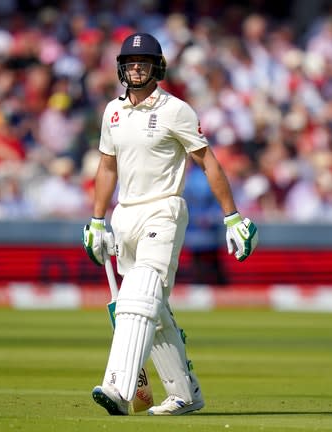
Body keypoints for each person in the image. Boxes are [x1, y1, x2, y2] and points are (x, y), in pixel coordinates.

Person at [82, 32, 258, 416]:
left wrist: (232, 216)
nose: (136, 68)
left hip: (164, 209)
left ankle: (118, 387)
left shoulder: (176, 110)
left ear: (157, 67)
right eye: (130, 63)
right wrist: (97, 220)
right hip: (124, 214)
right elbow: (107, 166)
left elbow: (207, 160)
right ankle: (185, 393)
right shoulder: (112, 112)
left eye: (143, 62)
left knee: (138, 295)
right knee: (153, 310)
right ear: (121, 68)